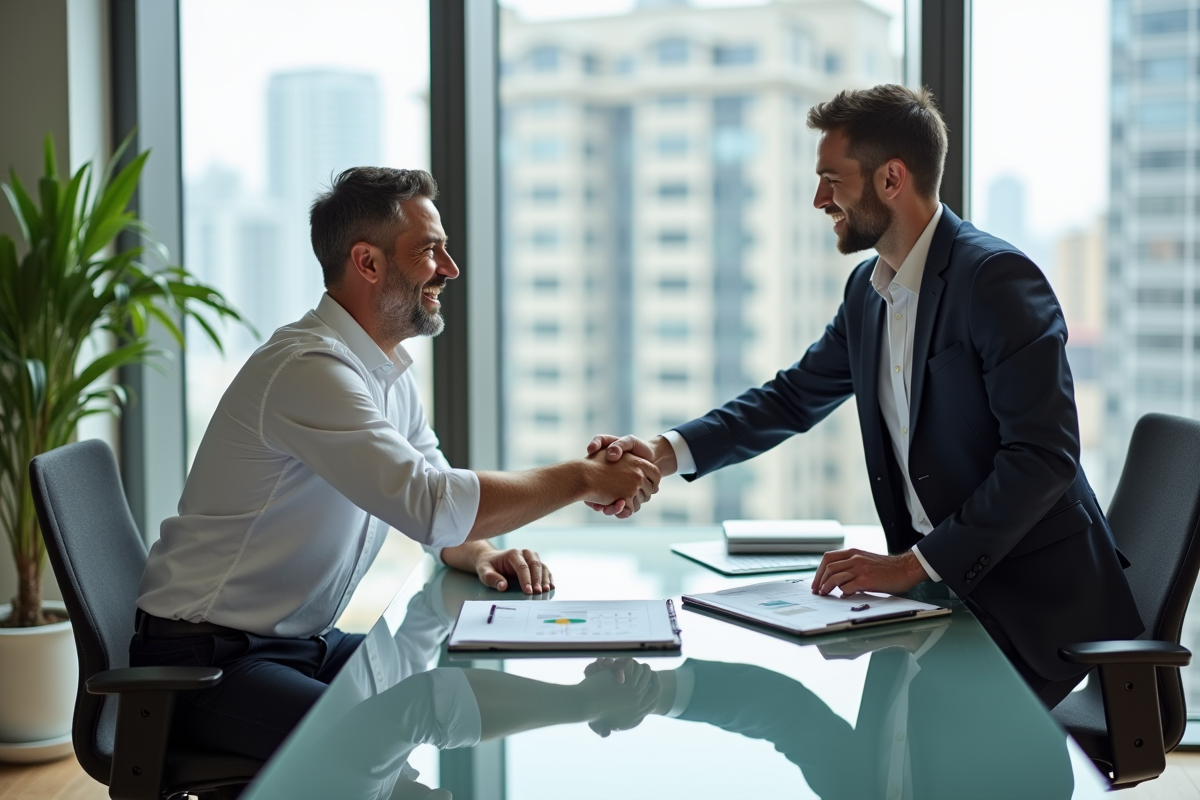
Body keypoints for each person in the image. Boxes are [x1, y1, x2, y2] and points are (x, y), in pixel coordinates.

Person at [587, 84, 1143, 707]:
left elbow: (1043, 457)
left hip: (1029, 607)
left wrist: (912, 565)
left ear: (891, 179)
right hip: (940, 597)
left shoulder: (995, 280)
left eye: (832, 179)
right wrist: (660, 453)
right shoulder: (867, 292)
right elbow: (793, 397)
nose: (819, 199)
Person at [131, 167, 661, 760]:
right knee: (389, 732)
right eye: (430, 251)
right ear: (368, 263)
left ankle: (578, 707)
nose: (449, 269)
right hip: (204, 665)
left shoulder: (383, 373)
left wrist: (483, 551)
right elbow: (433, 506)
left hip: (301, 644)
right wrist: (586, 478)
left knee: (441, 689)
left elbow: (436, 497)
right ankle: (576, 708)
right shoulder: (310, 371)